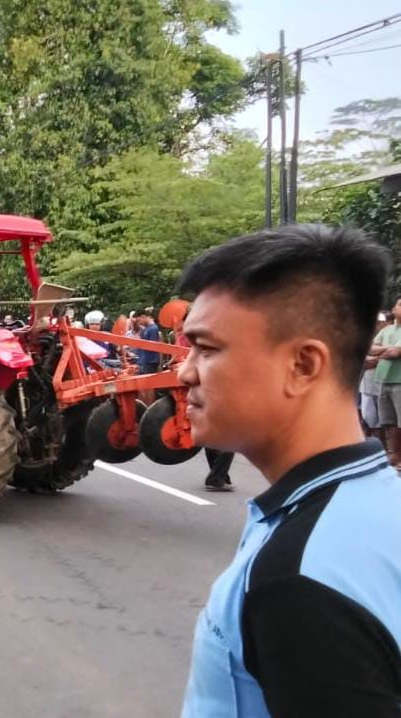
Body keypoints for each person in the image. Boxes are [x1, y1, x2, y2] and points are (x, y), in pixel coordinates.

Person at [177, 225, 401, 716]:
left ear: (303, 365)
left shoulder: (297, 582)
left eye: (207, 348)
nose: (184, 371)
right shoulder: (379, 503)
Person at [369, 297, 401, 465]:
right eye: (399, 304)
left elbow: (395, 353)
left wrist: (379, 354)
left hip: (399, 381)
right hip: (384, 379)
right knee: (389, 421)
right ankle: (394, 455)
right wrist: (386, 351)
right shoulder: (386, 330)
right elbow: (371, 348)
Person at [132, 308, 162, 374]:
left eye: (138, 321)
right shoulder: (144, 330)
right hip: (144, 362)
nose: (138, 324)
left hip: (150, 362)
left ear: (143, 317)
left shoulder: (153, 329)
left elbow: (154, 347)